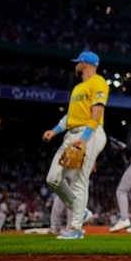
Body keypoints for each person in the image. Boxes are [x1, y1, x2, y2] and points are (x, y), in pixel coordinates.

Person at [43, 50, 110, 240]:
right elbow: (69, 117)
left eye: (77, 63)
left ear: (83, 63)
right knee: (53, 178)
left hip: (91, 134)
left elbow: (97, 113)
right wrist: (54, 131)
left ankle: (75, 228)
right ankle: (81, 211)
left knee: (80, 180)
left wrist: (85, 138)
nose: (75, 66)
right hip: (72, 135)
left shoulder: (98, 82)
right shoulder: (78, 88)